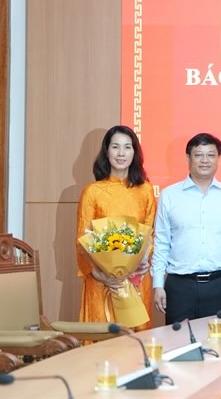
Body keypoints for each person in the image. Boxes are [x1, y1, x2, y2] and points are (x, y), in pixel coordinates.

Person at [151, 133, 221, 324]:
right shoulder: (169, 195)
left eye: (211, 155)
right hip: (179, 287)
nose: (205, 160)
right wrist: (157, 285)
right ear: (188, 158)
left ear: (218, 159)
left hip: (220, 286)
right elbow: (161, 243)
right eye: (198, 155)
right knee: (179, 347)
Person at [76, 125, 156, 328]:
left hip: (135, 279)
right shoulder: (92, 192)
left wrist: (143, 260)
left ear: (134, 152)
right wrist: (100, 274)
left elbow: (150, 231)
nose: (121, 153)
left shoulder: (145, 190)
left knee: (135, 342)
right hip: (101, 282)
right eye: (115, 147)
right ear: (106, 151)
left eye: (127, 147)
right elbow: (82, 239)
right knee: (103, 340)